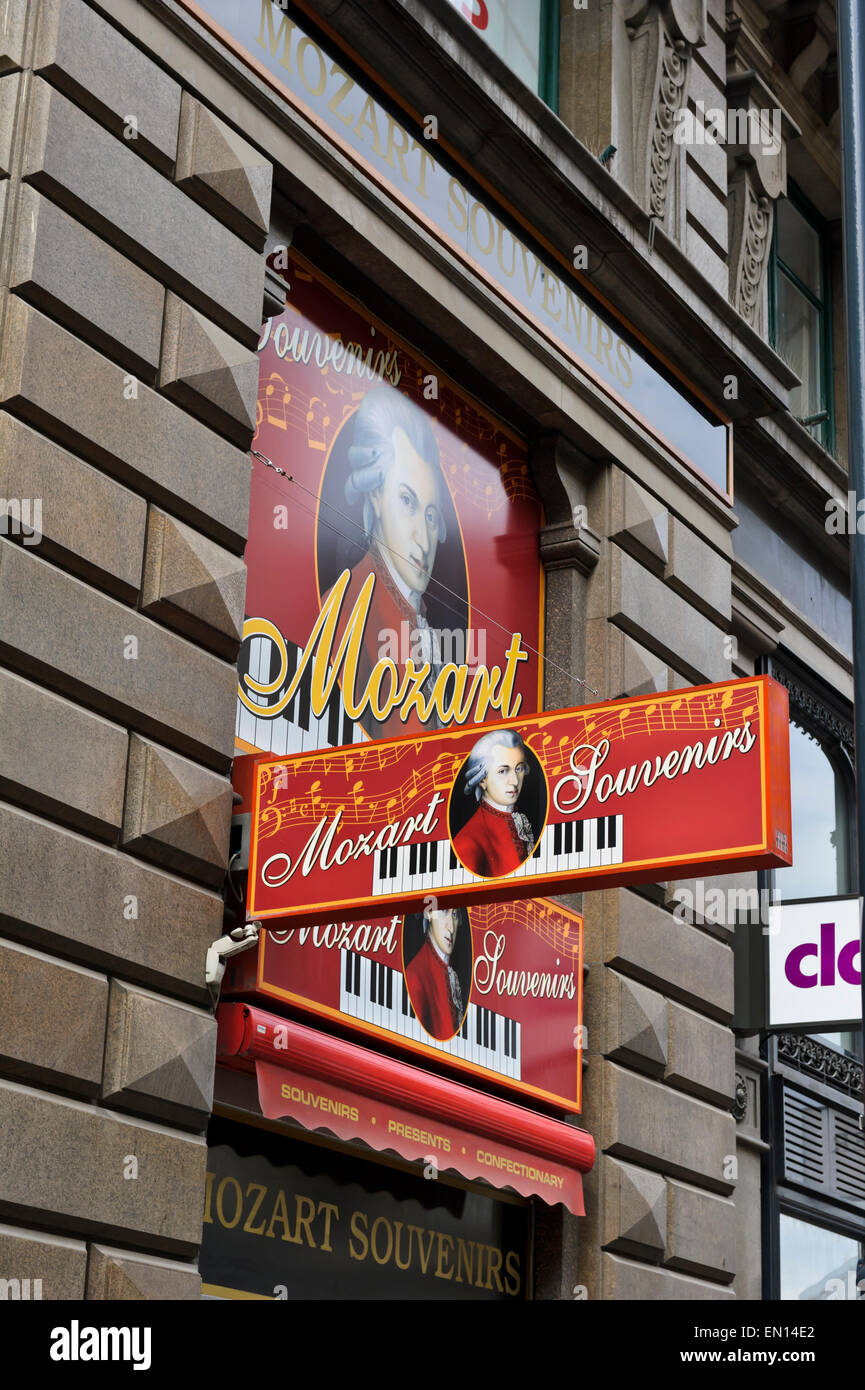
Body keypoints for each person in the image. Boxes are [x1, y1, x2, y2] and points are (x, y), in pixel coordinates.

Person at [326, 386, 456, 738]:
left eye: (431, 515)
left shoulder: (416, 611)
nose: (424, 539)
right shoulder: (349, 604)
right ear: (375, 495)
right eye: (407, 501)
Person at [452, 728, 537, 877]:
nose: (515, 781)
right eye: (503, 771)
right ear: (482, 780)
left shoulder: (519, 819)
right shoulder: (468, 842)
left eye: (519, 768)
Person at [404, 907, 466, 1040]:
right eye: (444, 911)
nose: (451, 928)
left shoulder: (451, 970)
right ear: (429, 912)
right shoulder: (416, 976)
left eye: (454, 914)